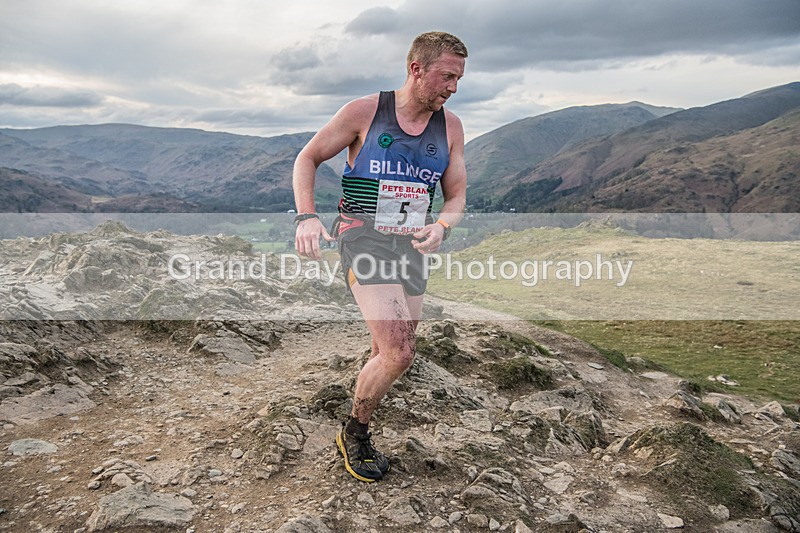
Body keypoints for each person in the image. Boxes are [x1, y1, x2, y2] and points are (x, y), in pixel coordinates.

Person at [292, 31, 468, 482]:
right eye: (447, 76)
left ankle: (363, 397)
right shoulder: (364, 112)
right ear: (416, 68)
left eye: (459, 79)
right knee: (401, 351)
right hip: (363, 238)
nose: (453, 87)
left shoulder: (450, 128)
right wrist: (306, 217)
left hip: (410, 245)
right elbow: (307, 158)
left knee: (384, 347)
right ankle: (354, 433)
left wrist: (442, 225)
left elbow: (456, 194)